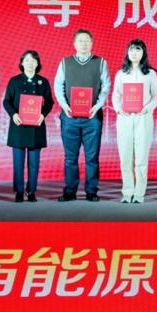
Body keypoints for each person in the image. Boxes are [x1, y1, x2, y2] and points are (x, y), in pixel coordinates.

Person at [55, 28, 111, 201]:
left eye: (87, 41)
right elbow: (58, 86)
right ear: (74, 44)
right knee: (70, 158)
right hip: (69, 117)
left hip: (92, 118)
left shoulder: (100, 62)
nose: (84, 44)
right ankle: (69, 191)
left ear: (92, 43)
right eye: (80, 41)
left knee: (92, 157)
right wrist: (65, 107)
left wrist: (97, 106)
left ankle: (91, 191)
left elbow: (106, 87)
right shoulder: (65, 63)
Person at [112, 39, 157, 204]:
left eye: (138, 50)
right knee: (125, 157)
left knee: (141, 158)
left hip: (143, 118)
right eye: (132, 50)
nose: (134, 53)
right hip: (125, 118)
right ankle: (127, 192)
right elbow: (116, 95)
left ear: (143, 53)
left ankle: (139, 193)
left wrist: (147, 108)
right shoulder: (121, 73)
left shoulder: (150, 74)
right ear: (127, 52)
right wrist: (118, 108)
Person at [3, 50, 54, 202]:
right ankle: (19, 191)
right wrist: (14, 114)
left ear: (37, 63)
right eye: (27, 60)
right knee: (18, 162)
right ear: (22, 63)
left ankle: (31, 191)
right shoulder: (14, 81)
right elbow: (6, 101)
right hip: (18, 126)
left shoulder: (43, 82)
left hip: (36, 126)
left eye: (33, 61)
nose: (30, 63)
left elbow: (49, 102)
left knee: (34, 163)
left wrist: (43, 115)